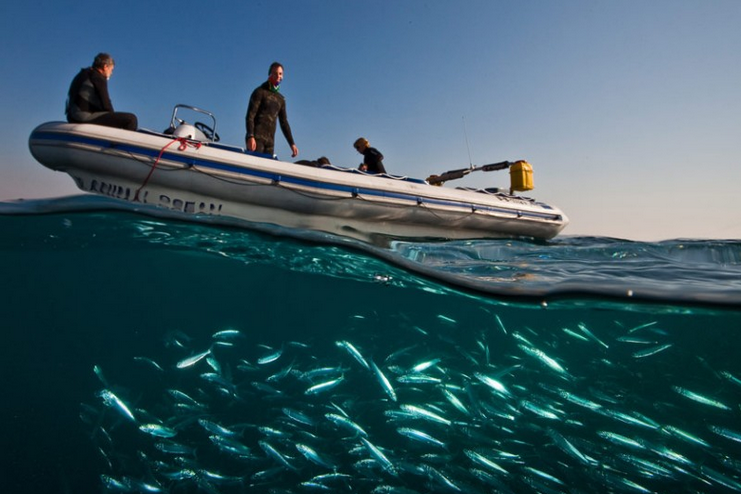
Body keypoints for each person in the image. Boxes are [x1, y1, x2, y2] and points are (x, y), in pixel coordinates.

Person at [65, 53, 138, 131]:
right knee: (131, 119)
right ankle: (119, 142)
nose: (111, 73)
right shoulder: (98, 77)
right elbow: (106, 103)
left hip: (72, 116)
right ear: (105, 67)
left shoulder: (82, 74)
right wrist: (114, 119)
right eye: (111, 70)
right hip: (83, 117)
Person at [245, 62, 299, 157]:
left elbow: (284, 123)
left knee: (265, 169)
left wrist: (292, 144)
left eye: (280, 74)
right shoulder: (260, 92)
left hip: (270, 142)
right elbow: (250, 116)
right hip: (256, 139)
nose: (278, 76)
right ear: (270, 74)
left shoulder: (281, 99)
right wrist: (250, 136)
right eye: (275, 73)